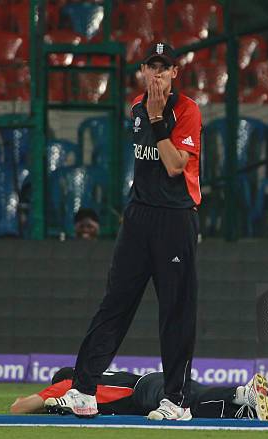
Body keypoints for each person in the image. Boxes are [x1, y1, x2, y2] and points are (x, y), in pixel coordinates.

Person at [57, 43, 203, 419]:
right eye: (150, 67)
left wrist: (158, 120)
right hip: (139, 216)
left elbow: (174, 166)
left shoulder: (186, 110)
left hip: (175, 217)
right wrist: (149, 114)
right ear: (143, 71)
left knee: (175, 310)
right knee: (116, 302)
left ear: (174, 73)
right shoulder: (137, 106)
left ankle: (176, 400)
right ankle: (83, 390)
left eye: (163, 68)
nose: (156, 74)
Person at [9, 367, 268, 422]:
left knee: (200, 400)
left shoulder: (72, 383)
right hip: (151, 382)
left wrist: (48, 401)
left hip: (147, 391)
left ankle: (243, 391)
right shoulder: (99, 374)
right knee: (217, 407)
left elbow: (17, 408)